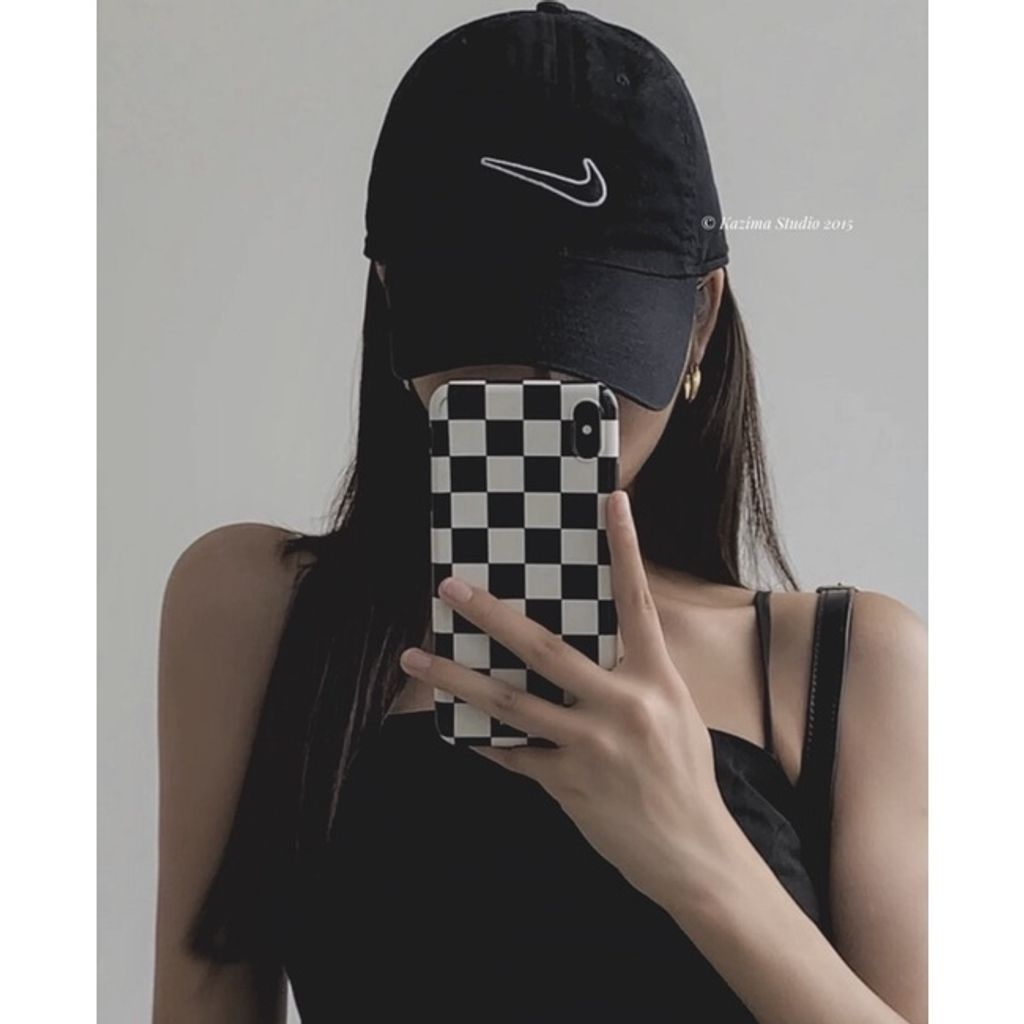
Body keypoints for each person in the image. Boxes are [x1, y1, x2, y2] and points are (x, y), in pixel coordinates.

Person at [151, 5, 927, 1023]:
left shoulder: (843, 665)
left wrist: (695, 848)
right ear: (391, 300)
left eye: (580, 363)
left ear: (699, 319)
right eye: (482, 349)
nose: (531, 397)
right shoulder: (257, 609)